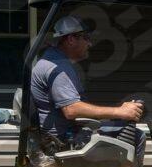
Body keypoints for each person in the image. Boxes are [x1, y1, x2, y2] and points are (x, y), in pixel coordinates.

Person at [30, 16, 144, 149]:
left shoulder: (53, 60)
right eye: (86, 38)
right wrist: (120, 111)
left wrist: (119, 111)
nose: (89, 44)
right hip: (64, 141)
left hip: (68, 134)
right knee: (136, 137)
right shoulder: (58, 68)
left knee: (123, 130)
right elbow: (71, 110)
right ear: (71, 39)